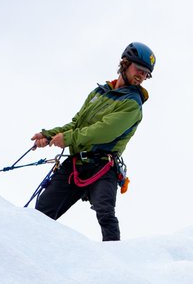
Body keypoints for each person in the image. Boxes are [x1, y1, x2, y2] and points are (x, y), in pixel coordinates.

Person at [30, 42, 155, 241]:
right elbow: (76, 123)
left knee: (105, 214)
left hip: (103, 167)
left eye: (146, 74)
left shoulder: (132, 104)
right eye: (138, 69)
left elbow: (104, 131)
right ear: (124, 63)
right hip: (76, 164)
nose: (141, 76)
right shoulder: (99, 93)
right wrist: (48, 135)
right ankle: (29, 248)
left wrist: (68, 139)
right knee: (42, 211)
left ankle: (114, 261)